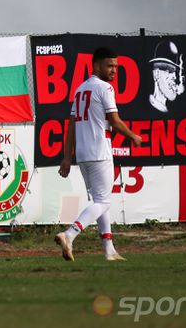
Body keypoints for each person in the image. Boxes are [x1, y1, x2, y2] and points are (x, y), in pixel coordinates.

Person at [55, 47, 143, 262]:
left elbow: (72, 127)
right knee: (103, 202)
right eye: (109, 65)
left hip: (83, 154)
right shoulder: (105, 88)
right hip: (99, 150)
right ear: (96, 65)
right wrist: (133, 136)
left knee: (99, 200)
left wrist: (67, 157)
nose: (114, 70)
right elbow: (114, 120)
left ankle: (109, 250)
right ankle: (70, 234)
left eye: (116, 66)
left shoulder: (79, 90)